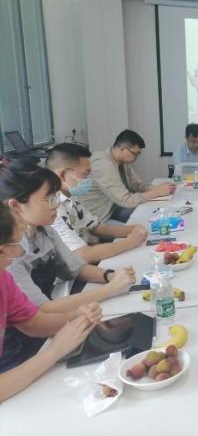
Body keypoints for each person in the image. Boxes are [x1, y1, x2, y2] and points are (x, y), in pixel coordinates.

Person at [0, 160, 135, 368]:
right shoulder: (8, 256)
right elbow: (41, 309)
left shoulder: (45, 230)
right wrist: (110, 289)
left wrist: (109, 276)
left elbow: (75, 268)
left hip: (45, 333)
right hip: (17, 351)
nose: (56, 205)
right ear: (16, 205)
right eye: (49, 199)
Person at [0, 203, 101, 398]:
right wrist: (54, 351)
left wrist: (77, 316)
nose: (21, 253)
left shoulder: (3, 278)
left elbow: (33, 322)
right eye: (15, 245)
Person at [45, 143, 148, 263]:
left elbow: (97, 228)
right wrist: (130, 242)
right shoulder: (53, 208)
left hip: (89, 254)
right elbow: (83, 255)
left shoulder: (72, 196)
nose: (90, 179)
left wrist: (133, 229)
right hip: (78, 267)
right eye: (85, 174)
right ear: (63, 174)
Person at [79, 130, 175, 223]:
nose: (136, 158)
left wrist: (159, 188)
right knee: (142, 229)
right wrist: (157, 192)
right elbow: (126, 200)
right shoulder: (103, 165)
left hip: (114, 208)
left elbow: (137, 186)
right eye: (135, 154)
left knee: (153, 215)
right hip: (99, 218)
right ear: (122, 149)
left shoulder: (121, 161)